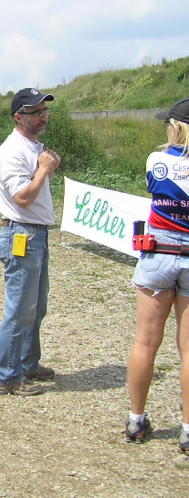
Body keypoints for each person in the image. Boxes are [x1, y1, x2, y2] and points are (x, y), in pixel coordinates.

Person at [125, 97, 189, 450]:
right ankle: (188, 428)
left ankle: (136, 420)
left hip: (158, 252)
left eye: (169, 123)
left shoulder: (156, 160)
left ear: (177, 127)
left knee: (146, 341)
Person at [0, 88, 60, 397]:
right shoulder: (13, 152)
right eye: (36, 112)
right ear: (19, 117)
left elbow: (35, 191)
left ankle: (28, 363)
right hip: (22, 235)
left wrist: (46, 168)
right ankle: (7, 376)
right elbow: (22, 197)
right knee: (20, 309)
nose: (43, 116)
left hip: (35, 234)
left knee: (36, 306)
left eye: (45, 111)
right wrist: (44, 169)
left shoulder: (31, 147)